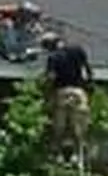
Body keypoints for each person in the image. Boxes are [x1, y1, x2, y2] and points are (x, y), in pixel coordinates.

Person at [40, 31, 93, 160]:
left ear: (50, 46)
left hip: (62, 92)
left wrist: (45, 92)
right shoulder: (77, 49)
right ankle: (77, 154)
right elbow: (88, 71)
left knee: (59, 127)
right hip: (78, 93)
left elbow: (51, 77)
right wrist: (89, 86)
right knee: (78, 126)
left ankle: (57, 154)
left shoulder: (53, 57)